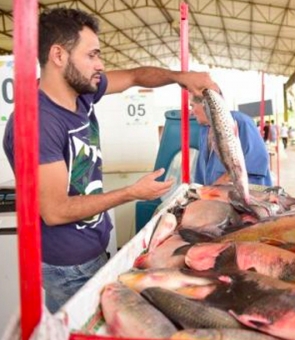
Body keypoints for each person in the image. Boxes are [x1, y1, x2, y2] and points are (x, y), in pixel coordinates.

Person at [1, 7, 215, 313]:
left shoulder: (81, 91)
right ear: (58, 56)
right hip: (67, 264)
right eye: (92, 55)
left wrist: (180, 77)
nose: (100, 64)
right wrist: (130, 192)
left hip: (92, 247)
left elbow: (133, 76)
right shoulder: (38, 122)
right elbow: (55, 211)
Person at [191, 94, 272, 187]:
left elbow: (258, 162)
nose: (191, 112)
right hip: (215, 198)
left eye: (192, 106)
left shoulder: (240, 122)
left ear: (205, 104)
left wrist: (219, 184)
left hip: (245, 196)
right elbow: (201, 172)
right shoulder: (204, 130)